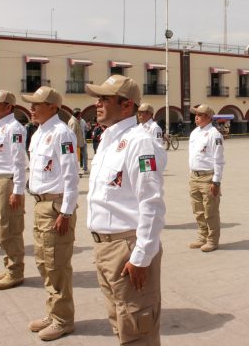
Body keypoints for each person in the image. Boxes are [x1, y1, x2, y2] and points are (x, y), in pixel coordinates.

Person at [85, 75, 166, 345]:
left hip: (127, 247)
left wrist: (141, 257)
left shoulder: (139, 142)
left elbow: (151, 203)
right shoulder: (109, 140)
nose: (97, 104)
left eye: (104, 99)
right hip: (106, 248)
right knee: (120, 323)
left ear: (127, 104)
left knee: (137, 326)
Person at [22, 86, 79, 341]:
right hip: (40, 204)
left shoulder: (62, 133)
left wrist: (65, 213)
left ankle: (63, 319)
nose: (32, 108)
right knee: (44, 262)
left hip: (55, 207)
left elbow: (70, 175)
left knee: (57, 265)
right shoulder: (39, 133)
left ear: (53, 107)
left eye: (37, 104)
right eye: (31, 104)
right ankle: (53, 312)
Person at [0, 90, 27, 290]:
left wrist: (17, 190)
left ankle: (15, 271)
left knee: (9, 228)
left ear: (9, 106)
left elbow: (18, 161)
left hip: (6, 182)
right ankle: (9, 264)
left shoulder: (14, 128)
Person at [188, 104, 225, 252]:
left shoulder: (214, 134)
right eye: (195, 114)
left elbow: (219, 159)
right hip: (194, 176)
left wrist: (216, 181)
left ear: (209, 117)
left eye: (200, 114)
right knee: (198, 210)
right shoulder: (195, 132)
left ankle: (212, 240)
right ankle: (202, 236)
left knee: (210, 211)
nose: (196, 117)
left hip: (208, 177)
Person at [68, 108, 88, 174]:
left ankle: (83, 169)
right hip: (76, 144)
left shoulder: (77, 121)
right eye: (80, 114)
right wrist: (73, 145)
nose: (81, 115)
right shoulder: (73, 122)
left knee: (82, 156)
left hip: (80, 142)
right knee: (76, 158)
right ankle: (76, 171)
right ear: (78, 115)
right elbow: (72, 134)